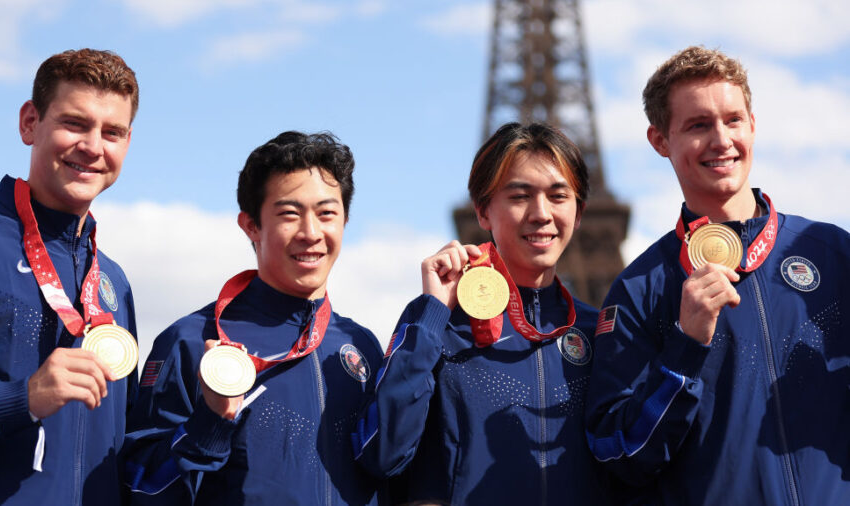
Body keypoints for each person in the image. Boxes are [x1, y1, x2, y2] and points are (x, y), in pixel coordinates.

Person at [584, 46, 850, 505]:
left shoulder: (831, 252)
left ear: (753, 123)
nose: (721, 140)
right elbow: (617, 456)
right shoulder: (638, 290)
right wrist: (684, 350)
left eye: (733, 119)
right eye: (698, 125)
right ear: (659, 140)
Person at [352, 122, 614, 504]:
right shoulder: (439, 324)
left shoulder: (599, 331)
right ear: (482, 211)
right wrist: (430, 316)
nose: (541, 213)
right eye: (520, 195)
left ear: (579, 213)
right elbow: (382, 454)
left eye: (559, 196)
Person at [124, 131, 384, 505]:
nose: (311, 233)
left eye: (327, 213)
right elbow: (138, 485)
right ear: (251, 225)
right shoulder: (193, 341)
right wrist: (209, 423)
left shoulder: (361, 346)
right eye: (289, 214)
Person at [0, 49, 140, 505]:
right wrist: (22, 398)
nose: (94, 146)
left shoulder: (114, 283)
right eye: (75, 123)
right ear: (30, 123)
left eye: (111, 132)